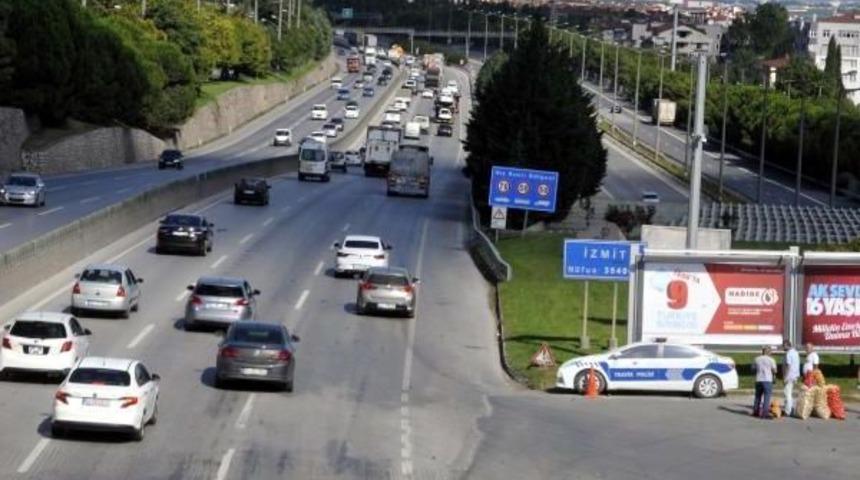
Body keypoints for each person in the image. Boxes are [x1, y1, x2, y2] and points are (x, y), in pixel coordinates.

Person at [753, 346, 778, 419]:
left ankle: (756, 411)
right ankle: (765, 413)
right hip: (767, 380)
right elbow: (775, 371)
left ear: (762, 351)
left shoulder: (757, 359)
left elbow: (753, 369)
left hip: (758, 379)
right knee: (767, 397)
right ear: (768, 352)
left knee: (757, 397)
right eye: (770, 351)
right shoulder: (771, 360)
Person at [782, 340, 800, 417]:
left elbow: (788, 366)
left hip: (789, 375)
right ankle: (790, 408)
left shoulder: (788, 354)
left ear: (787, 345)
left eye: (784, 346)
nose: (783, 347)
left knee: (787, 393)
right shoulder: (796, 352)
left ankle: (787, 411)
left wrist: (785, 376)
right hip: (795, 375)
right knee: (789, 393)